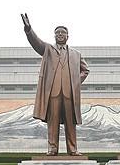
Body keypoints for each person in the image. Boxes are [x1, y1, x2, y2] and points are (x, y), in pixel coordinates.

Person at [21, 13, 89, 156]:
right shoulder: (48, 50)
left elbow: (85, 70)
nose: (60, 35)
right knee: (53, 122)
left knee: (71, 123)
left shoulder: (76, 54)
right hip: (53, 93)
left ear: (67, 36)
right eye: (57, 33)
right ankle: (52, 148)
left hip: (69, 94)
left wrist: (75, 82)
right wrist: (29, 29)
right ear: (54, 36)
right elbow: (36, 42)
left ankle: (73, 149)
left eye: (63, 33)